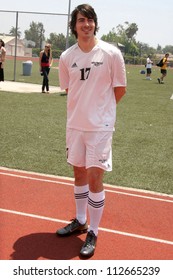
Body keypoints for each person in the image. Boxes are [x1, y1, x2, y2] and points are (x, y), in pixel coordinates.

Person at [56, 4, 126, 258]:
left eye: (91, 20)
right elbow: (69, 90)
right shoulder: (66, 57)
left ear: (96, 24)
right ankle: (80, 219)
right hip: (75, 125)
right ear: (74, 26)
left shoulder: (111, 53)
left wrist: (102, 113)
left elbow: (120, 89)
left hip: (100, 128)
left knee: (95, 177)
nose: (87, 24)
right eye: (81, 20)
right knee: (78, 174)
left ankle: (93, 231)